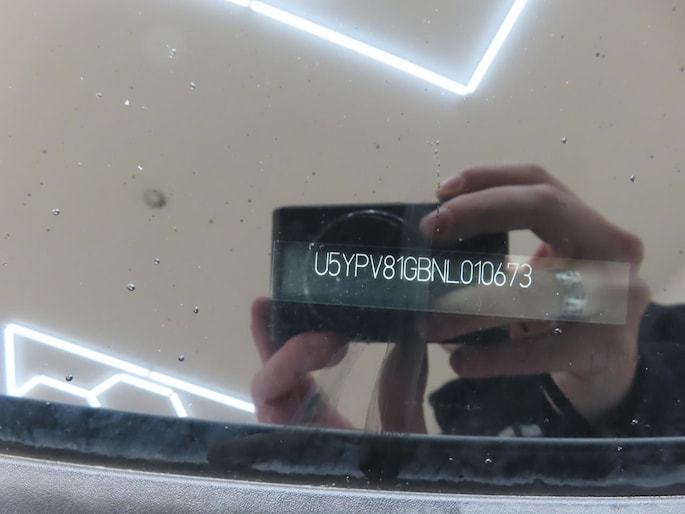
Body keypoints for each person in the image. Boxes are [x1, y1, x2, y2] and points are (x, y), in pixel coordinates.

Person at [250, 164, 685, 437]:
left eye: (449, 259)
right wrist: (364, 489)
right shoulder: (461, 423)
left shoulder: (660, 335)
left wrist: (627, 396)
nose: (423, 282)